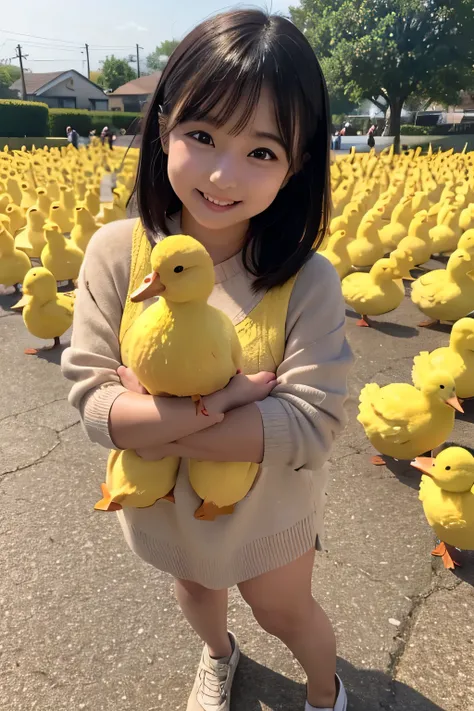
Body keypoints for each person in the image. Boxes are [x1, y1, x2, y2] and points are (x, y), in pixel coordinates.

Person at [62, 10, 353, 711]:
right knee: (196, 591)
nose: (224, 174)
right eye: (202, 136)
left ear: (298, 161)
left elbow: (308, 428)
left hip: (270, 514)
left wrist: (153, 414)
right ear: (163, 126)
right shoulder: (115, 252)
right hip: (172, 509)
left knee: (286, 612)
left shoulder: (308, 280)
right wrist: (233, 405)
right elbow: (94, 407)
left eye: (262, 152)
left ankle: (325, 692)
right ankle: (219, 656)